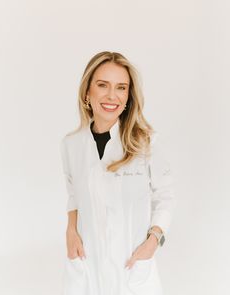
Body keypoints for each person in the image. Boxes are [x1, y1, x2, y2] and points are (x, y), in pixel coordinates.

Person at [60, 51, 176, 295]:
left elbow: (165, 197)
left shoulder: (146, 143)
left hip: (133, 269)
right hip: (87, 267)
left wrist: (153, 242)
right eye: (102, 85)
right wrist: (71, 231)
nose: (112, 95)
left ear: (128, 96)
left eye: (121, 88)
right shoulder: (71, 145)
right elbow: (73, 193)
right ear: (87, 92)